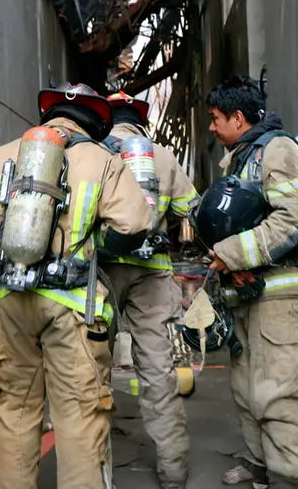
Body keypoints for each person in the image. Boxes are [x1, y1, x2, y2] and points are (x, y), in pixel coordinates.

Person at [0, 83, 151, 489]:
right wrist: (96, 247)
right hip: (73, 306)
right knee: (80, 419)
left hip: (4, 302)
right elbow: (134, 225)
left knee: (11, 415)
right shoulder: (103, 161)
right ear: (94, 122)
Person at [203, 75, 298, 489]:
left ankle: (292, 479)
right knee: (247, 388)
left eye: (217, 118)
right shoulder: (241, 156)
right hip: (247, 293)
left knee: (281, 394)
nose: (212, 127)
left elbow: (292, 218)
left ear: (238, 117)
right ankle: (260, 464)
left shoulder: (279, 151)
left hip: (280, 296)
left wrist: (231, 252)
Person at [100, 91, 199, 488]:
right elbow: (188, 210)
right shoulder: (161, 154)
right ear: (140, 120)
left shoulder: (94, 152)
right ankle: (174, 472)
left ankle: (93, 472)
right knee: (158, 370)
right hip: (152, 272)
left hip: (102, 273)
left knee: (92, 369)